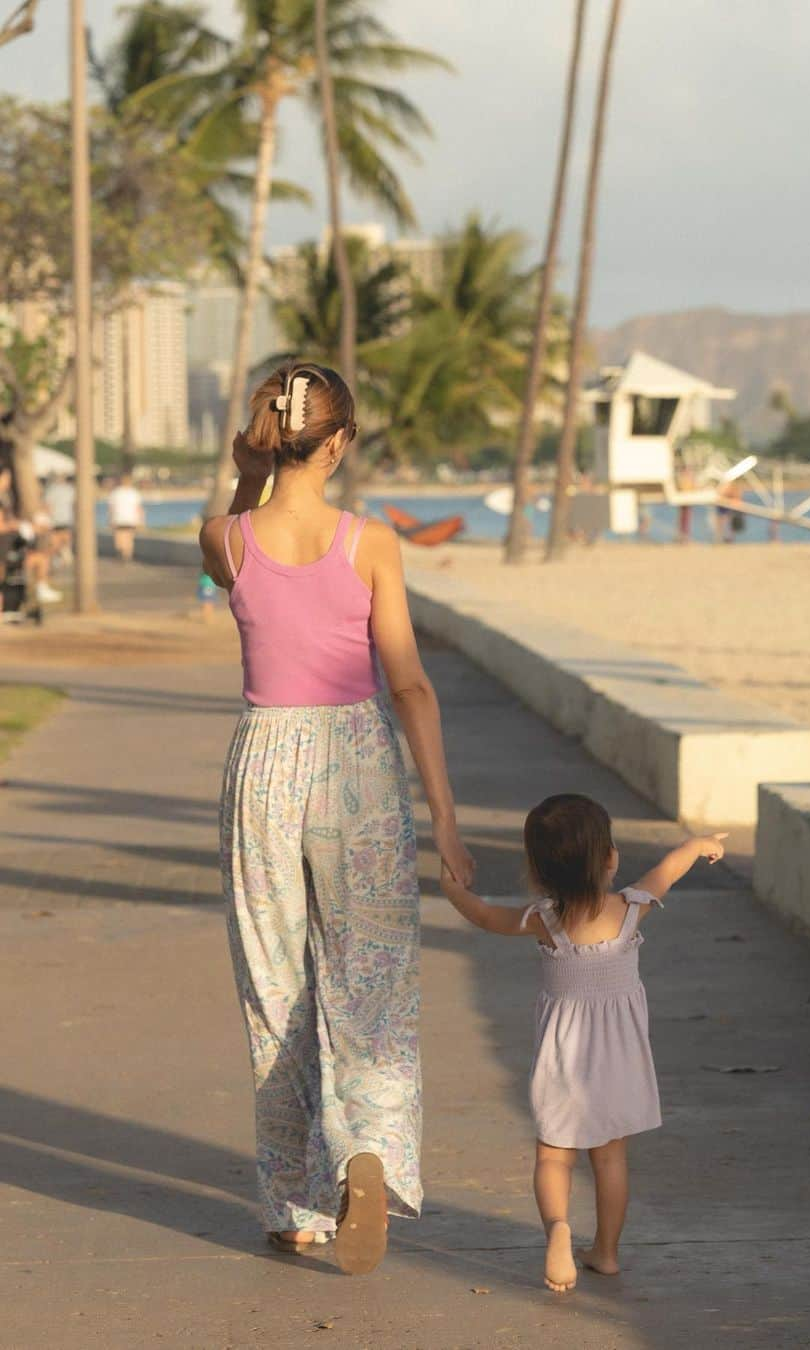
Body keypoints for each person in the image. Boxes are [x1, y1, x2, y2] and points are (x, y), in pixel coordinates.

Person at [199, 361, 474, 1274]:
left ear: (264, 437)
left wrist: (246, 473)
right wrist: (443, 816)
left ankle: (293, 1200)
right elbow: (411, 685)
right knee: (373, 978)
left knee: (275, 983)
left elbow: (232, 524)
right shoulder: (370, 544)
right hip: (357, 759)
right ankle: (368, 1152)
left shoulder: (226, 541)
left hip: (265, 761)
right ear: (341, 440)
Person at [439, 793, 726, 1293]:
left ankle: (559, 1231)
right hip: (620, 1059)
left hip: (564, 1060)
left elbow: (484, 916)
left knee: (554, 1155)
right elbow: (668, 870)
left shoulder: (544, 922)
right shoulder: (632, 908)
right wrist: (697, 844)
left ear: (539, 868)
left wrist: (452, 889)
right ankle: (607, 1253)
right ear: (609, 857)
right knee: (610, 1157)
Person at [107, 471, 144, 562]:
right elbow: (139, 508)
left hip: (118, 518)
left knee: (119, 537)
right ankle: (127, 554)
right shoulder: (134, 493)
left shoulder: (115, 493)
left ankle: (121, 551)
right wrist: (141, 520)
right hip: (131, 518)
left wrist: (110, 519)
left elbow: (111, 508)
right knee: (129, 538)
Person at [44, 473, 75, 565]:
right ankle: (65, 553)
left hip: (55, 519)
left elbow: (48, 506)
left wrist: (47, 519)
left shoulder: (51, 490)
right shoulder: (70, 489)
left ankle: (59, 556)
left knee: (55, 541)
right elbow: (74, 504)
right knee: (66, 539)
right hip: (68, 518)